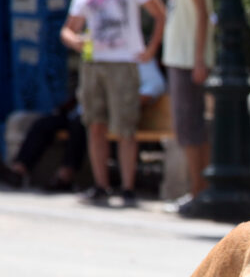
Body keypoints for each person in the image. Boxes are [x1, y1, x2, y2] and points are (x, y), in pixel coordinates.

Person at [60, 0, 166, 207]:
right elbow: (67, 31)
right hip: (94, 64)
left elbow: (159, 13)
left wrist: (152, 48)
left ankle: (128, 188)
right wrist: (77, 41)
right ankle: (101, 185)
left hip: (123, 63)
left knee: (125, 127)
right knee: (95, 124)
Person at [0, 60, 167, 195]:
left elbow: (155, 85)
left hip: (110, 117)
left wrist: (124, 106)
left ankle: (66, 175)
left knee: (82, 125)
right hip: (84, 111)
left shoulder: (133, 55)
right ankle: (19, 170)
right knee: (44, 124)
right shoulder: (94, 54)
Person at [150, 0, 214, 216]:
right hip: (184, 57)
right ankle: (198, 192)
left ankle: (198, 193)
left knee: (191, 129)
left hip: (189, 59)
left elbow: (202, 13)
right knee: (190, 128)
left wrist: (200, 58)